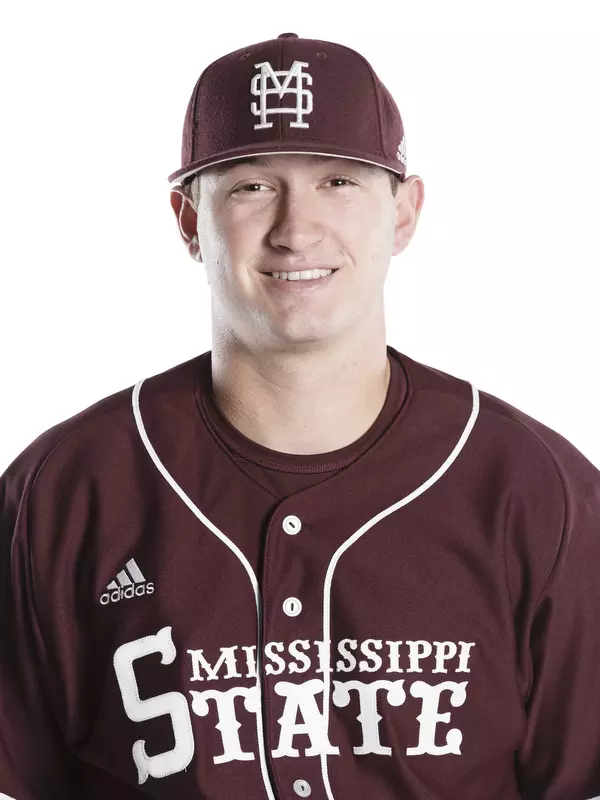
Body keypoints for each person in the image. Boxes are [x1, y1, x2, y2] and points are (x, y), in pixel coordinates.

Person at [1, 31, 599, 800]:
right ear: (188, 220)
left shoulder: (537, 492)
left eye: (339, 182)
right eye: (251, 185)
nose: (296, 228)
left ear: (406, 211)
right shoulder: (64, 492)